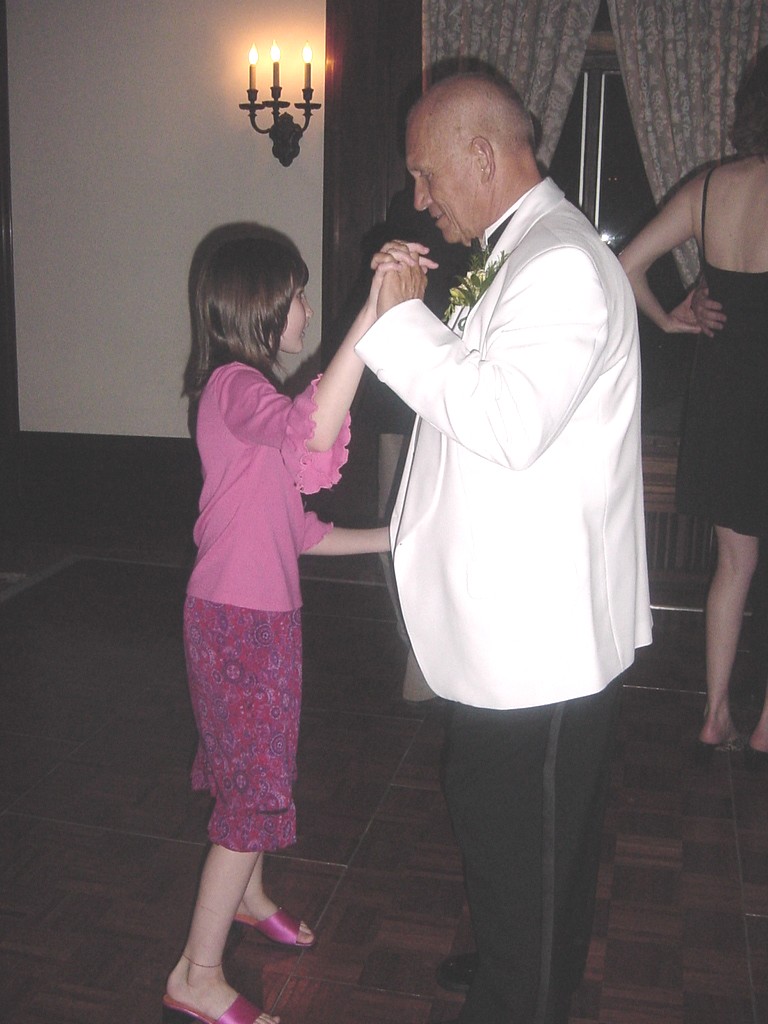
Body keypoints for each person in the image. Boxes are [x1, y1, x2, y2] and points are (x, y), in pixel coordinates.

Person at [355, 73, 653, 1024]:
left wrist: (402, 323)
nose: (420, 198)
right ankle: (517, 962)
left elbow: (508, 421)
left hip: (541, 642)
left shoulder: (559, 262)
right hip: (513, 631)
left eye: (426, 174)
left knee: (528, 841)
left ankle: (520, 994)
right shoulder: (522, 249)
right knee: (512, 834)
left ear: (481, 156)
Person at [163, 234, 417, 1024]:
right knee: (251, 793)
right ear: (263, 306)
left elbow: (298, 531)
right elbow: (311, 429)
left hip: (260, 622)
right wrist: (369, 316)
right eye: (299, 294)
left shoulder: (255, 403)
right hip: (238, 624)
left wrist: (395, 539)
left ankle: (250, 895)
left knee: (257, 772)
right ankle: (196, 974)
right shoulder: (232, 388)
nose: (307, 307)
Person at [619, 46, 768, 767]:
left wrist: (671, 317)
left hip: (724, 397)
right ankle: (766, 725)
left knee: (733, 566)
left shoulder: (709, 187)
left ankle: (714, 714)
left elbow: (625, 265)